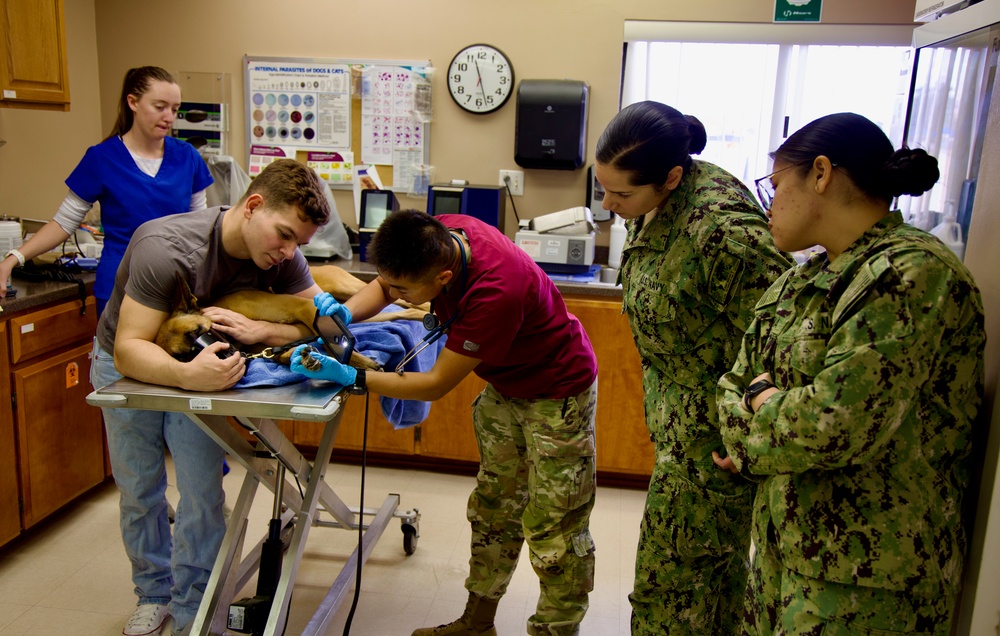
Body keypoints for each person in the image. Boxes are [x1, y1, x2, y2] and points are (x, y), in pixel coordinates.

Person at [715, 112, 985, 635]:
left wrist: (763, 406)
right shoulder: (807, 279)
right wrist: (763, 403)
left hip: (865, 584)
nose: (767, 206)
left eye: (774, 186)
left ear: (820, 174)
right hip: (783, 555)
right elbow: (733, 385)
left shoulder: (909, 275)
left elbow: (831, 427)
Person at [290, 209, 599, 636]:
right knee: (494, 510)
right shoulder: (435, 234)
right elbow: (385, 282)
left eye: (403, 290)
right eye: (390, 283)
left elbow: (434, 384)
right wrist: (345, 313)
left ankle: (555, 632)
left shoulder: (498, 290)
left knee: (555, 528)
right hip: (505, 386)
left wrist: (353, 376)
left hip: (556, 391)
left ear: (444, 278)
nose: (392, 293)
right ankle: (477, 624)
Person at [90, 158, 330, 636]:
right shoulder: (166, 246)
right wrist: (187, 377)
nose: (288, 252)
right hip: (133, 361)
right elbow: (129, 349)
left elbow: (322, 319)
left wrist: (263, 328)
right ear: (253, 206)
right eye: (283, 236)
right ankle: (153, 594)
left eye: (298, 244)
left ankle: (193, 610)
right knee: (140, 492)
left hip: (205, 370)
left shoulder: (285, 255)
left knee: (201, 492)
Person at [593, 101, 793, 635]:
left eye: (621, 194)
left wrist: (753, 433)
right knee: (718, 586)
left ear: (672, 177)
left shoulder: (724, 234)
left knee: (669, 593)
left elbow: (787, 335)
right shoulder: (657, 203)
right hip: (681, 432)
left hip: (714, 447)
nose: (609, 204)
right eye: (603, 189)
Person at [0, 66, 213, 316]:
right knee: (117, 356)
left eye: (175, 109)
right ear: (133, 102)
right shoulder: (101, 159)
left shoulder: (187, 156)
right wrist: (13, 259)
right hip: (120, 287)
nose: (169, 116)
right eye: (160, 107)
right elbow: (62, 224)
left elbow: (202, 228)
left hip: (175, 287)